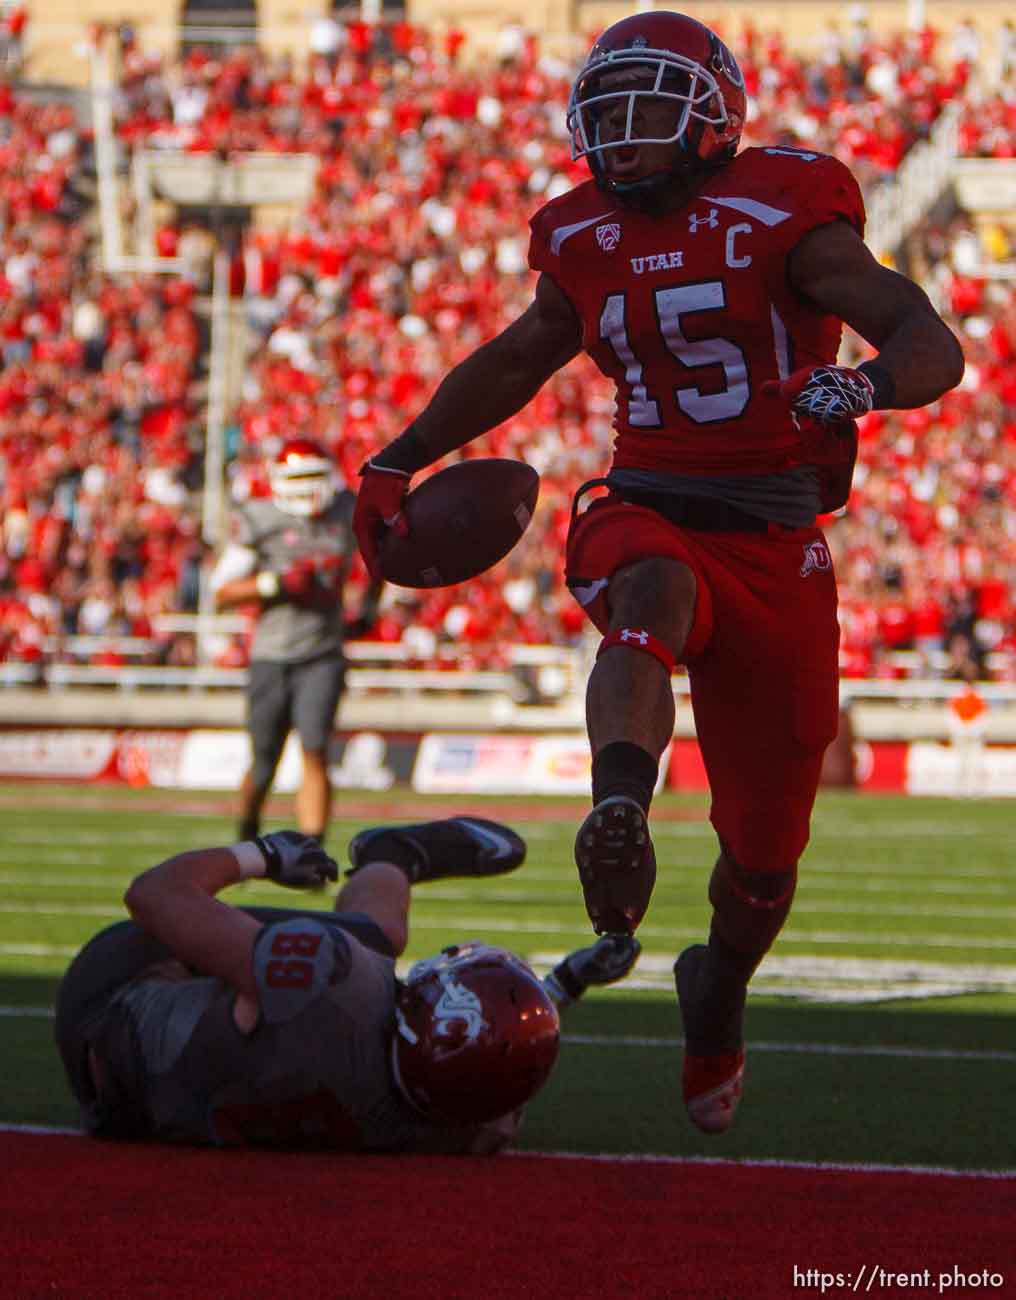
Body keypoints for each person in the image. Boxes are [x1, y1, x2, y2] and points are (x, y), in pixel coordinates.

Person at [352, 12, 966, 1136]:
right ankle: (619, 807)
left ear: (713, 117)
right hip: (644, 502)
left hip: (777, 539)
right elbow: (515, 357)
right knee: (646, 597)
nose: (619, 136)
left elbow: (923, 334)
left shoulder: (786, 206)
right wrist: (397, 455)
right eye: (607, 112)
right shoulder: (577, 235)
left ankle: (715, 984)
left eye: (646, 110)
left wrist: (866, 386)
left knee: (764, 861)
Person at [55, 817, 640, 1150]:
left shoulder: (332, 983)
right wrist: (560, 987)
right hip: (122, 1112)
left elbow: (152, 896)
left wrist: (260, 854)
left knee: (376, 934)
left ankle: (392, 855)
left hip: (108, 1000)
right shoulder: (461, 1128)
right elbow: (489, 1060)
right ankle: (390, 856)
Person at [210, 437, 383, 844]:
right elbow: (222, 590)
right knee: (264, 763)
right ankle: (247, 830)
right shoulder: (260, 517)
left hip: (323, 652)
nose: (308, 487)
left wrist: (367, 609)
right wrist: (274, 583)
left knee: (315, 750)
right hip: (271, 655)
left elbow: (381, 559)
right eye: (299, 477)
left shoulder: (347, 511)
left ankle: (311, 847)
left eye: (314, 477)